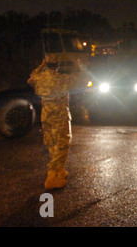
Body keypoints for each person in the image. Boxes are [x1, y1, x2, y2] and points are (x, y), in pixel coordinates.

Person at [28, 58, 84, 190]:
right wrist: (80, 66)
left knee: (52, 142)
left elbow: (30, 79)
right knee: (62, 143)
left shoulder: (39, 77)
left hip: (46, 115)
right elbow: (82, 81)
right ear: (57, 65)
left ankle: (59, 171)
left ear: (46, 65)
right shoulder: (62, 79)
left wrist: (41, 66)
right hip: (59, 115)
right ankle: (52, 177)